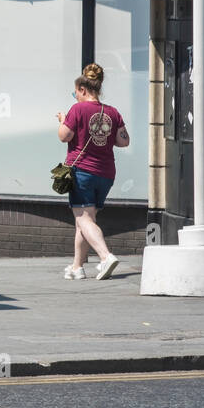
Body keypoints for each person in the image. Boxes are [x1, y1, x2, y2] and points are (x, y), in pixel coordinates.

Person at [56, 63, 129, 281]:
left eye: (75, 92)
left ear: (83, 89)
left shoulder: (77, 109)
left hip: (82, 172)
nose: (75, 96)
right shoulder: (113, 112)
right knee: (86, 219)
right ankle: (77, 267)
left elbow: (64, 136)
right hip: (106, 173)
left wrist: (63, 120)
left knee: (84, 219)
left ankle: (105, 257)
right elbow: (123, 141)